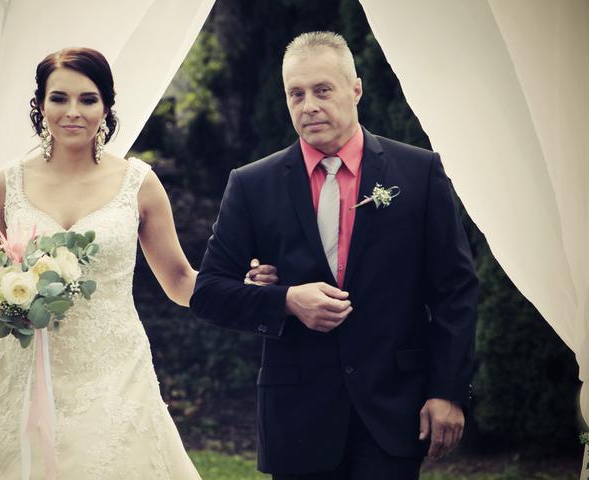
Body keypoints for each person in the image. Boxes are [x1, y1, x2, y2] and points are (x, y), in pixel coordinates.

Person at [0, 47, 277, 479]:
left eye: (88, 99)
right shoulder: (6, 185)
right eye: (59, 98)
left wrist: (241, 291)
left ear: (107, 106)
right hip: (27, 370)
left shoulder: (139, 183)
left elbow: (179, 280)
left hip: (114, 371)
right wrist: (9, 301)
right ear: (40, 105)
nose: (73, 112)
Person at [191, 31, 478, 480]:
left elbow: (454, 289)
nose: (309, 106)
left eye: (322, 90)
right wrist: (286, 300)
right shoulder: (251, 184)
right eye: (296, 94)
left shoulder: (418, 172)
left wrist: (448, 390)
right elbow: (208, 293)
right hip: (297, 415)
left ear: (355, 89)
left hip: (392, 408)